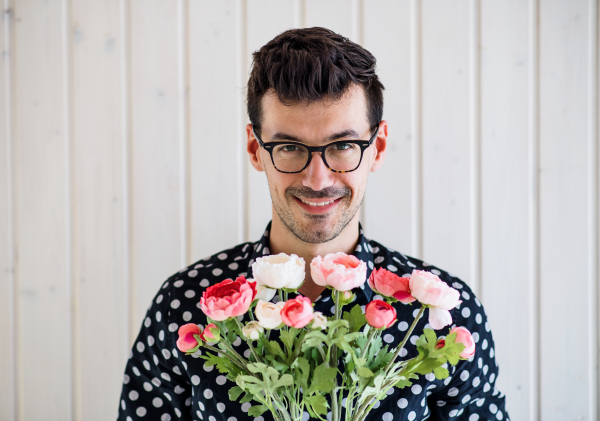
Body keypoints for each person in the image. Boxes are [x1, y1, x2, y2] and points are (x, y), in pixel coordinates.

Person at [117, 27, 509, 421]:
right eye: (289, 147)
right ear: (256, 150)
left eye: (342, 146)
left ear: (379, 147)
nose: (317, 180)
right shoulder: (184, 305)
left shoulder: (446, 313)